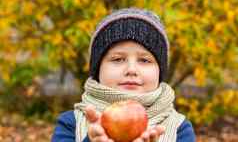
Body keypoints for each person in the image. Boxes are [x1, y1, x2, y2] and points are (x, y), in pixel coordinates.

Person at [52, 8, 196, 142]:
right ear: (98, 69)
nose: (131, 69)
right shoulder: (71, 123)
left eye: (144, 60)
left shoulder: (179, 128)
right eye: (118, 59)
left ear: (160, 71)